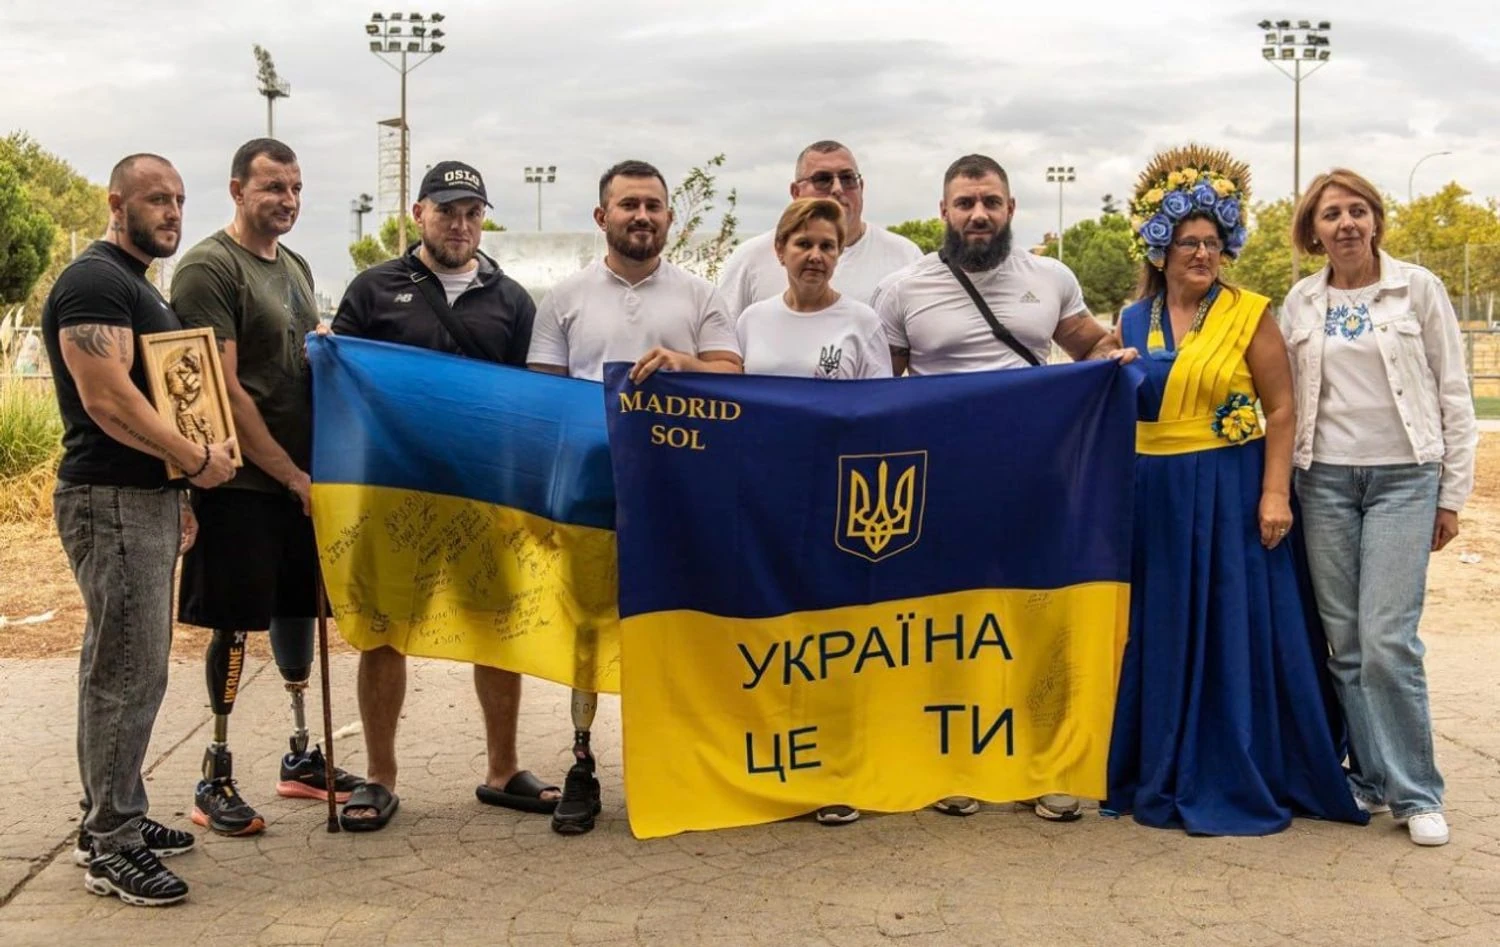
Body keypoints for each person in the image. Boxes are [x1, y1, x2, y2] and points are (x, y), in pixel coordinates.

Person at [1104, 146, 1367, 835]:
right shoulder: (1131, 322)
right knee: (1164, 629)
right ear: (1158, 247)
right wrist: (1114, 371)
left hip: (1231, 492)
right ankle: (1164, 759)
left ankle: (1246, 761)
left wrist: (1274, 493)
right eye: (1187, 242)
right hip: (1157, 499)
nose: (1201, 254)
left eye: (1212, 243)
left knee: (1234, 625)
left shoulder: (1251, 312)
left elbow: (1283, 408)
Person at [874, 153, 1133, 822]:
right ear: (944, 213)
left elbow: (1088, 346)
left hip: (1036, 480)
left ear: (1012, 208)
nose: (978, 213)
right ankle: (954, 760)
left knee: (1038, 620)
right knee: (947, 624)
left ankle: (1043, 765)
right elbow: (880, 393)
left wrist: (1117, 356)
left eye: (989, 200)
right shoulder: (903, 290)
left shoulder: (1051, 277)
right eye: (964, 202)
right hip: (945, 485)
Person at [330, 160, 556, 831]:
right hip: (394, 494)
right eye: (448, 210)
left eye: (473, 212)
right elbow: (339, 381)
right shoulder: (373, 290)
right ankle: (379, 777)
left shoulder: (512, 299)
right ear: (418, 212)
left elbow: (530, 399)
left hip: (484, 496)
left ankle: (502, 768)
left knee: (497, 628)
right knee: (383, 632)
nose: (461, 224)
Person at [45, 153, 238, 906]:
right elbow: (106, 397)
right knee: (126, 671)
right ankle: (111, 842)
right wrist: (196, 458)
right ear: (115, 201)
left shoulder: (135, 287)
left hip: (143, 496)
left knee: (132, 665)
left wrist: (181, 487)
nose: (171, 212)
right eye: (156, 198)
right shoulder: (96, 280)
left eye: (180, 200)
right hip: (109, 496)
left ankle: (114, 813)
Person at [528, 158, 743, 833]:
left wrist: (685, 365)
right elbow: (542, 401)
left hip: (681, 493)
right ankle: (583, 762)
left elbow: (733, 378)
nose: (642, 216)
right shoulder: (562, 298)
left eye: (654, 205)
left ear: (670, 218)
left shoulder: (702, 296)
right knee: (588, 629)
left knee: (680, 625)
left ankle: (681, 760)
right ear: (602, 216)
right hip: (592, 490)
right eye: (629, 205)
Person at [171, 138, 362, 838]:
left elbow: (301, 356)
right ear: (236, 189)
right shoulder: (208, 268)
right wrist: (286, 471)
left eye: (295, 188)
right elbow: (222, 389)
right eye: (272, 187)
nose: (286, 200)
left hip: (298, 481)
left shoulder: (296, 265)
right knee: (234, 619)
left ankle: (300, 752)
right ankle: (214, 770)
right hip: (245, 480)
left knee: (296, 610)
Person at [1283, 168, 1478, 847]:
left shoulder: (1416, 288)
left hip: (1404, 478)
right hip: (1327, 482)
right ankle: (1370, 775)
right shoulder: (1301, 303)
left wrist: (1451, 492)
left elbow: (1455, 392)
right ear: (1313, 231)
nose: (1345, 224)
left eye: (1357, 210)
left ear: (1375, 221)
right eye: (1331, 214)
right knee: (1349, 644)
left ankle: (1419, 790)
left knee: (1389, 641)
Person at [718, 140, 920, 320]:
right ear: (796, 192)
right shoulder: (750, 258)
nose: (838, 189)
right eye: (823, 180)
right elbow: (724, 345)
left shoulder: (904, 256)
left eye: (848, 178)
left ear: (862, 187)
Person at [738, 198, 892, 382]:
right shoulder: (751, 320)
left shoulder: (863, 322)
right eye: (804, 244)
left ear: (838, 254)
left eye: (827, 246)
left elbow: (879, 400)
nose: (816, 256)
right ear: (780, 250)